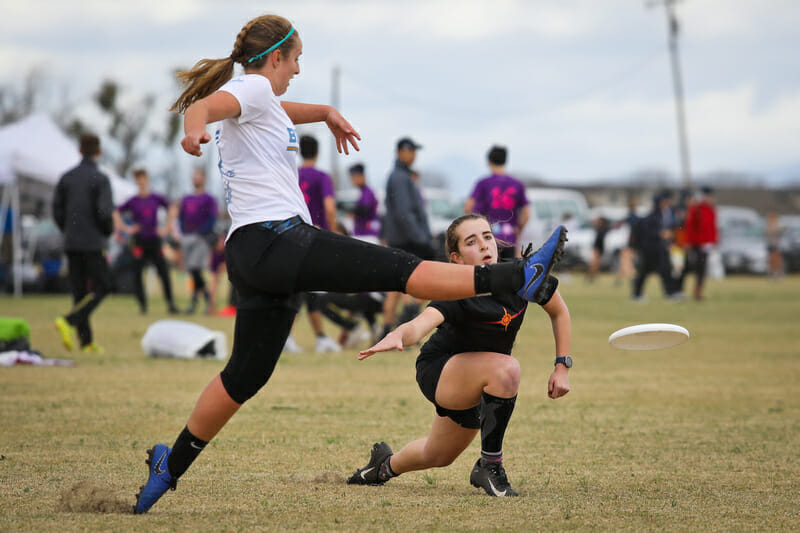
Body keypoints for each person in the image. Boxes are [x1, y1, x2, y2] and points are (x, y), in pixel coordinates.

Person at [133, 14, 567, 515]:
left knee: (245, 375)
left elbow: (274, 107)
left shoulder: (260, 99)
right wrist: (192, 133)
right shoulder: (250, 90)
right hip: (279, 240)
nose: (296, 70)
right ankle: (519, 274)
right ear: (275, 58)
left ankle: (172, 462)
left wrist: (324, 112)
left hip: (250, 255)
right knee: (400, 269)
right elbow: (206, 107)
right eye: (295, 60)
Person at [347, 214, 571, 497]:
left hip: (483, 381)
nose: (484, 245)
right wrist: (398, 335)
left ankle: (382, 466)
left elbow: (559, 311)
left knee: (437, 454)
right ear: (457, 259)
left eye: (487, 237)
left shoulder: (522, 277)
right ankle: (489, 466)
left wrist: (562, 365)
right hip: (441, 372)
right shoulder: (455, 290)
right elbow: (421, 323)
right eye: (471, 242)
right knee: (507, 369)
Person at [52, 133, 114, 353]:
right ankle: (69, 321)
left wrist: (68, 230)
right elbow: (104, 212)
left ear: (79, 150)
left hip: (71, 242)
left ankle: (86, 342)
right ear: (99, 152)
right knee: (104, 286)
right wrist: (106, 231)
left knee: (79, 291)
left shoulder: (66, 177)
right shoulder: (100, 179)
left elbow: (57, 210)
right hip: (93, 242)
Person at [381, 137, 434, 335]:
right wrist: (421, 239)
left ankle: (388, 330)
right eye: (410, 151)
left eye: (414, 151)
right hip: (407, 239)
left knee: (397, 287)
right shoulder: (399, 177)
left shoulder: (401, 175)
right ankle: (401, 329)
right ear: (400, 152)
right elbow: (404, 212)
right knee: (415, 285)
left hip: (401, 238)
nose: (413, 155)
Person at [298, 134, 342, 352]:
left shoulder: (290, 174)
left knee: (301, 286)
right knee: (311, 289)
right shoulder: (322, 177)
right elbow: (330, 207)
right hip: (315, 238)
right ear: (318, 152)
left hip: (293, 235)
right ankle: (321, 338)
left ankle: (320, 336)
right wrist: (333, 233)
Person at [114, 169, 179, 314]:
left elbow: (172, 209)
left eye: (142, 178)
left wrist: (167, 227)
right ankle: (143, 306)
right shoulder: (133, 201)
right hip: (139, 241)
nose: (141, 182)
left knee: (163, 272)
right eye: (138, 179)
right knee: (137, 273)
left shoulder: (155, 198)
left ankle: (170, 304)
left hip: (154, 240)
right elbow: (116, 211)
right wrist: (126, 228)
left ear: (147, 179)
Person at [464, 145, 529, 259]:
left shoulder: (483, 183)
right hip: (509, 238)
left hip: (487, 240)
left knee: (490, 274)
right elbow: (526, 213)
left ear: (489, 161)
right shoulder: (517, 184)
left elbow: (468, 207)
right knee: (509, 273)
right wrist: (518, 229)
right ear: (506, 161)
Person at [177, 168, 218, 314]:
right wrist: (183, 231)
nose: (195, 179)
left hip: (201, 239)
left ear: (204, 179)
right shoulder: (186, 199)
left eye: (198, 176)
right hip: (187, 237)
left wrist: (199, 232)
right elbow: (181, 217)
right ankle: (205, 302)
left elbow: (212, 219)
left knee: (195, 269)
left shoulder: (209, 199)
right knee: (193, 272)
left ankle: (199, 302)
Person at [630, 191, 679, 302]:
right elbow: (649, 233)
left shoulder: (664, 215)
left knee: (665, 272)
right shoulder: (652, 217)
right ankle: (637, 294)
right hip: (650, 250)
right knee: (644, 273)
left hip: (659, 249)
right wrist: (661, 234)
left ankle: (670, 293)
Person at [683, 187, 718, 299]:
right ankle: (685, 290)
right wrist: (688, 241)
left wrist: (713, 241)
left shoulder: (711, 209)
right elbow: (690, 226)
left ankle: (698, 290)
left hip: (706, 244)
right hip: (696, 243)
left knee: (702, 269)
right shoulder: (696, 209)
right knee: (694, 267)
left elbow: (712, 227)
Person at [346, 162, 380, 244]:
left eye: (354, 178)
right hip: (363, 235)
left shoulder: (367, 192)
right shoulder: (363, 191)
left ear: (361, 176)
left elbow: (365, 209)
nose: (352, 181)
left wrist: (350, 209)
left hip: (367, 235)